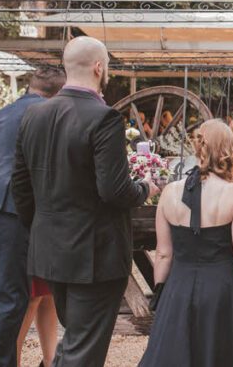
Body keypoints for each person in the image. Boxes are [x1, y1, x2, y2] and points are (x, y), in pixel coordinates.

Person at [11, 36, 158, 367]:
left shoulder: (33, 116)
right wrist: (145, 188)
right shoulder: (103, 117)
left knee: (76, 340)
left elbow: (20, 188)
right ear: (98, 67)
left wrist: (45, 230)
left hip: (49, 252)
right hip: (94, 256)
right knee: (83, 351)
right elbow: (114, 191)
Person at [139, 120, 233, 366]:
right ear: (229, 150)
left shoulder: (169, 193)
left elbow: (164, 254)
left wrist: (162, 295)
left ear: (197, 147)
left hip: (178, 287)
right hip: (223, 291)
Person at [0, 66, 65, 367]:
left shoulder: (4, 113)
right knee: (13, 302)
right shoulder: (46, 115)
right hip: (12, 210)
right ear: (58, 94)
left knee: (0, 302)